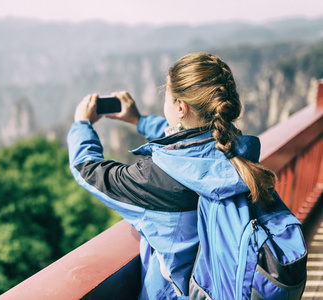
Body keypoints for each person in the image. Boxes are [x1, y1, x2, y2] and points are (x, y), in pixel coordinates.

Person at [67, 52, 277, 299]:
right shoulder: (239, 154)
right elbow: (193, 140)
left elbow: (88, 170)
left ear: (180, 107)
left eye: (166, 97)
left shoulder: (155, 180)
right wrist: (139, 121)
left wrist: (81, 124)